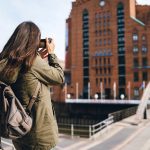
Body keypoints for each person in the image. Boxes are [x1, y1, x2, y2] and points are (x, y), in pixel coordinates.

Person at [0, 21, 64, 150]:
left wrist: (37, 55)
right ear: (33, 41)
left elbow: (25, 75)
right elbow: (59, 77)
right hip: (39, 136)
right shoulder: (34, 62)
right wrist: (51, 54)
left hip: (17, 130)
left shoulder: (4, 62)